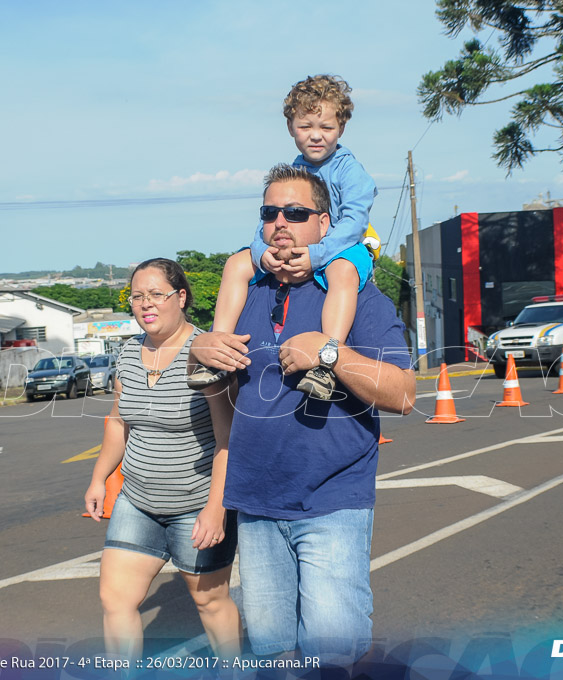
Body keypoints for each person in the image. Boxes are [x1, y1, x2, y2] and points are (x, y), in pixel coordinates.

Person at [191, 165, 416, 663]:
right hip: (256, 505)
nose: (281, 223)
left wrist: (329, 354)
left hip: (332, 503)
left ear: (325, 223)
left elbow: (403, 393)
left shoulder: (356, 291)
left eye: (296, 212)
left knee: (335, 654)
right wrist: (199, 347)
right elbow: (215, 389)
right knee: (274, 656)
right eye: (270, 213)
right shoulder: (247, 289)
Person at [83, 259, 240, 660]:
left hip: (196, 505)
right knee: (115, 599)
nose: (145, 304)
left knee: (212, 604)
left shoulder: (206, 352)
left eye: (156, 294)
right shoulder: (128, 354)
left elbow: (228, 438)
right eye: (137, 297)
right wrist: (99, 478)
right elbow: (119, 423)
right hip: (138, 503)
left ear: (181, 297)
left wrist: (215, 508)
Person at [189, 75, 378, 400]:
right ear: (291, 127)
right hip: (294, 248)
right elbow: (268, 218)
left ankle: (325, 362)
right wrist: (262, 251)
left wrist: (320, 253)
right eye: (306, 127)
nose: (316, 136)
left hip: (340, 247)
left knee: (342, 272)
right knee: (237, 263)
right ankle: (219, 345)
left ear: (341, 129)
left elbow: (355, 220)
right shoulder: (292, 172)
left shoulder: (349, 171)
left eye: (327, 128)